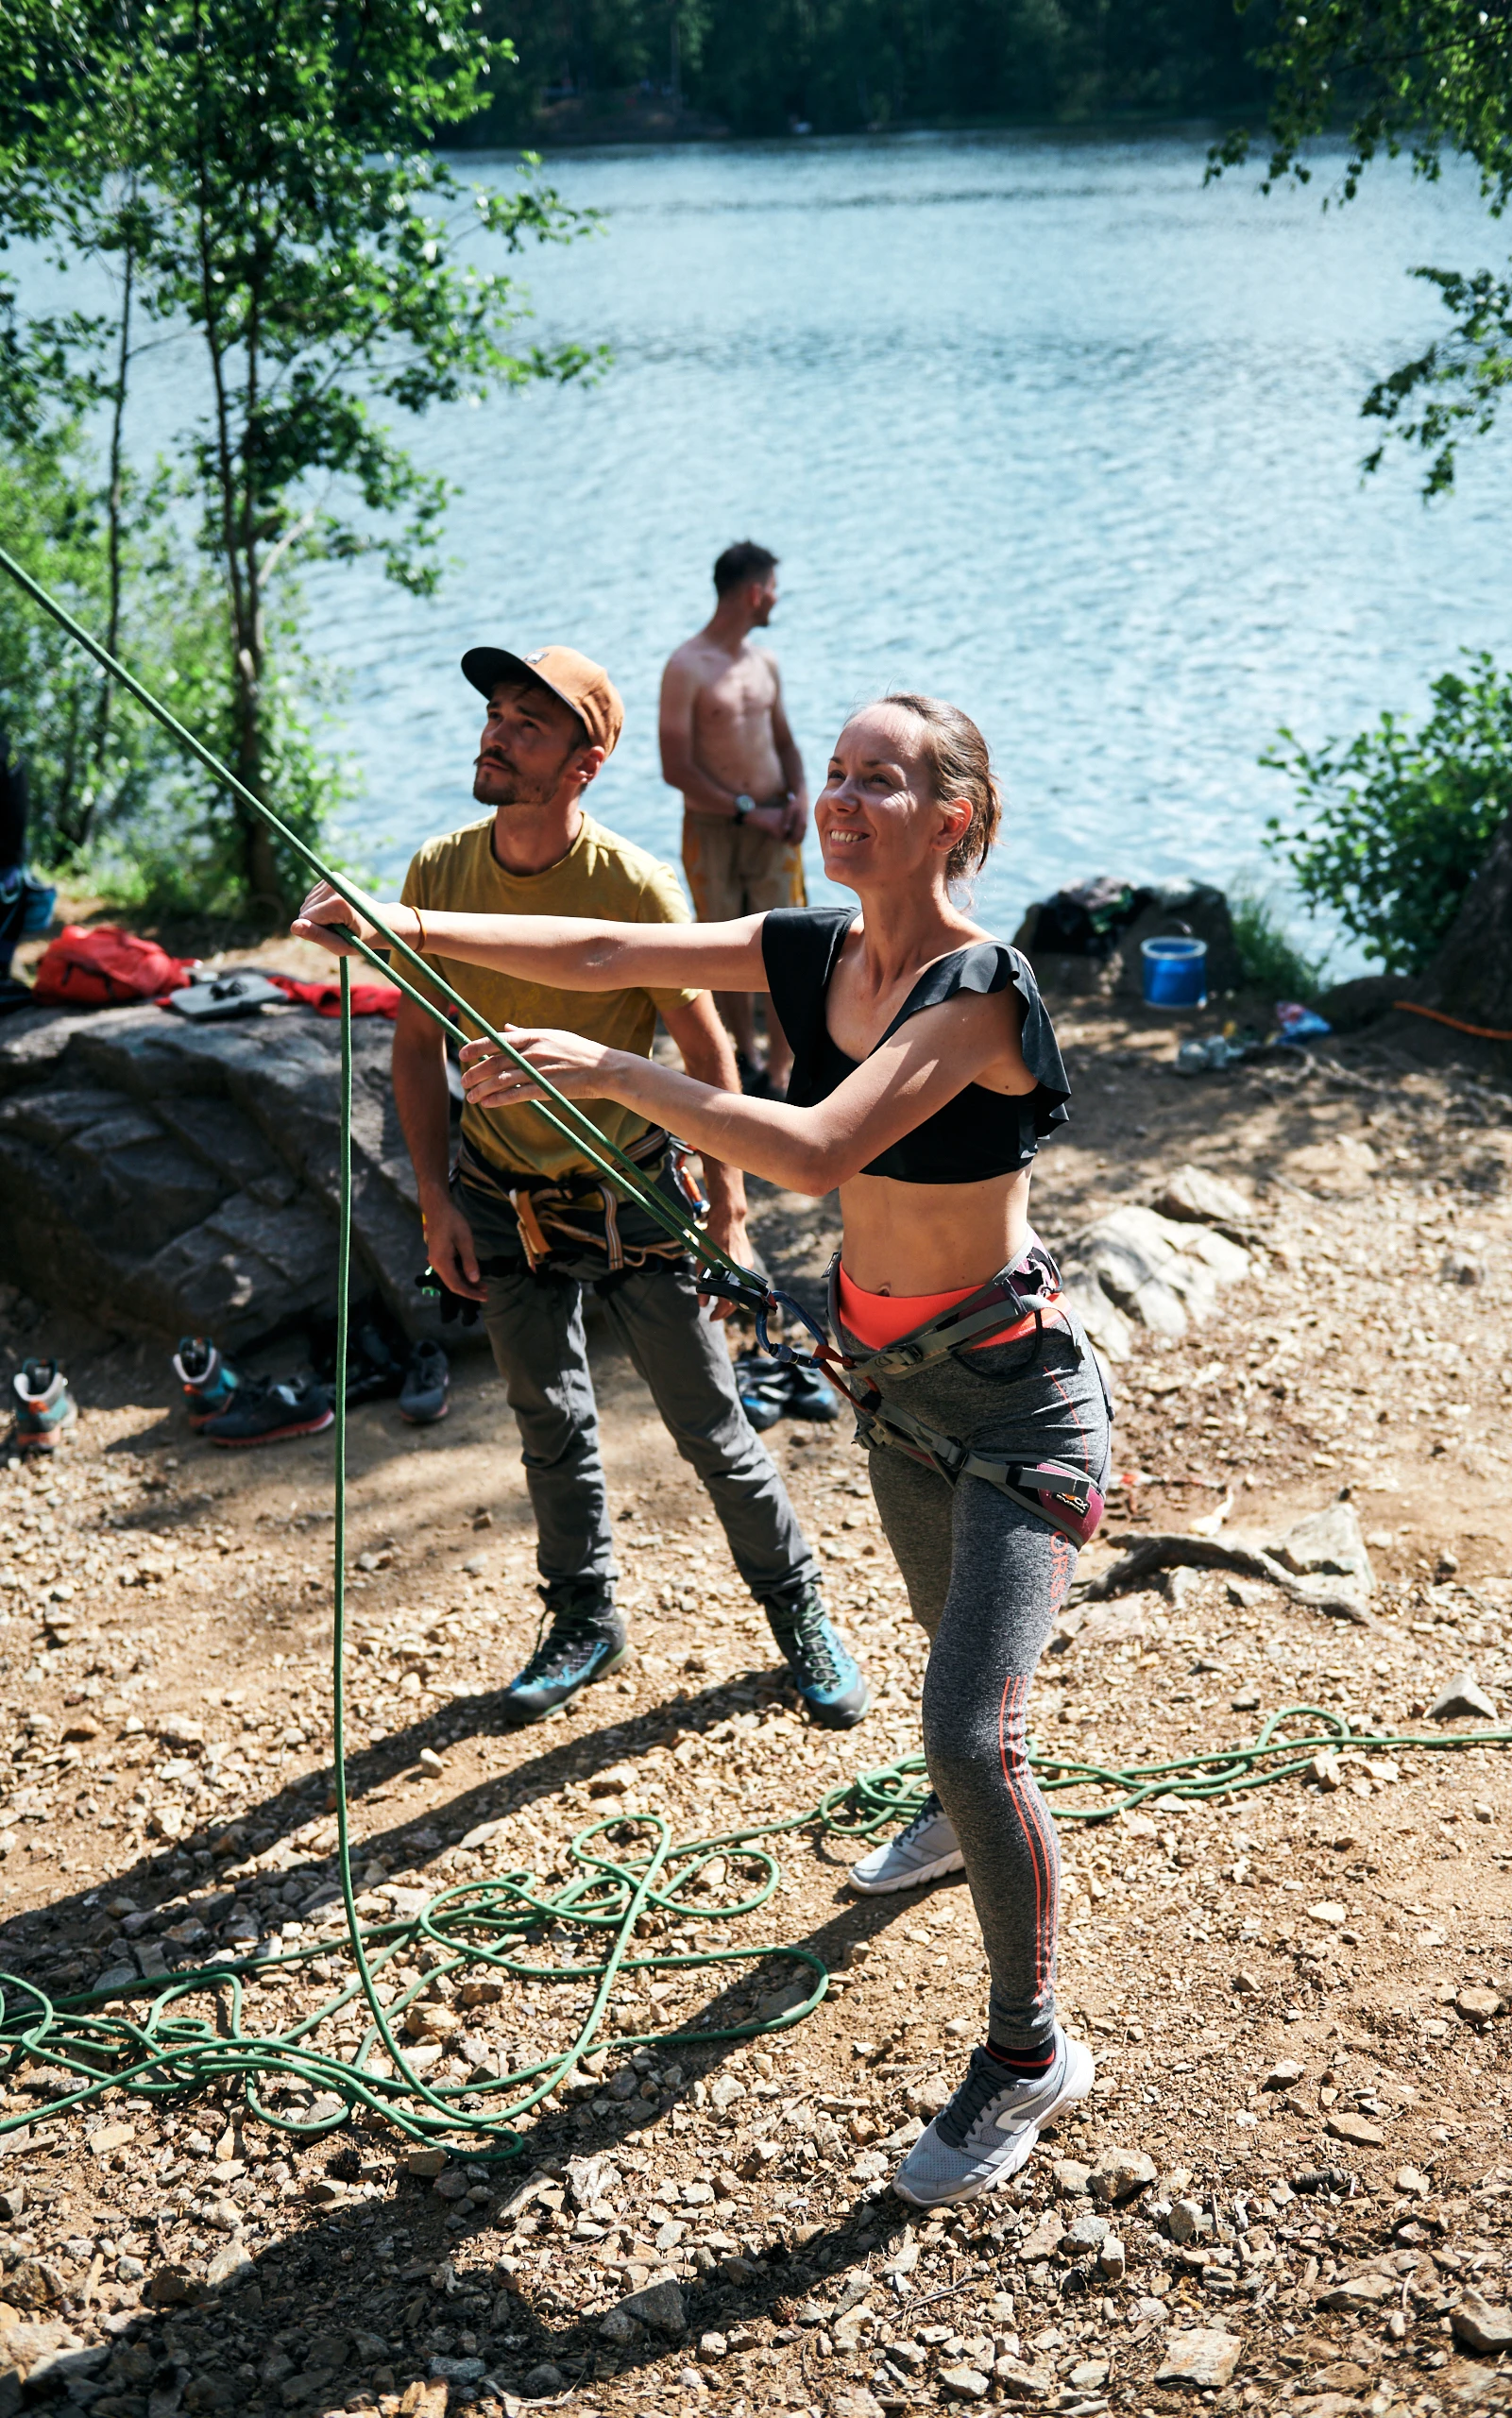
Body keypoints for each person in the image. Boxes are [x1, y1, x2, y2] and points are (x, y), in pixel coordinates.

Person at [296, 690, 1112, 2209]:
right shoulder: (818, 951)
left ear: (952, 818)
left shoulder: (976, 992)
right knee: (949, 1670)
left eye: (880, 780)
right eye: (837, 773)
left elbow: (813, 1149)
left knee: (966, 1731)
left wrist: (615, 1078)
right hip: (892, 1396)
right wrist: (405, 922)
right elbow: (609, 955)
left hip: (1014, 1401)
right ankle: (957, 1827)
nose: (840, 797)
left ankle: (1026, 2052)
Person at [305, 641, 867, 1731]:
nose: (495, 734)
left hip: (633, 1200)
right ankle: (584, 1616)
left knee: (710, 1425)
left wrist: (729, 1212)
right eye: (495, 715)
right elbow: (415, 1046)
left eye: (528, 724)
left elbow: (708, 1051)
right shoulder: (436, 875)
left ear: (584, 764)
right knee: (547, 1420)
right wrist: (435, 1196)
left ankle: (797, 1606)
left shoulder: (632, 886)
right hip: (499, 1198)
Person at [659, 541, 809, 1097]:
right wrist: (749, 813)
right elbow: (677, 767)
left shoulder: (765, 662)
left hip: (776, 827)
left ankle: (782, 1070)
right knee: (725, 948)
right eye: (773, 587)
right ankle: (746, 1057)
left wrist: (799, 797)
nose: (776, 598)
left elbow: (785, 742)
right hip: (714, 830)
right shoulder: (686, 667)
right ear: (753, 592)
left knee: (787, 944)